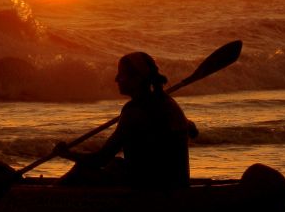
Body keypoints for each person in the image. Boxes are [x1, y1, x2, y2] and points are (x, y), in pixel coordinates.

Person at [57, 52, 195, 191]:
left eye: (122, 74)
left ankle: (51, 195)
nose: (116, 79)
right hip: (177, 185)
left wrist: (66, 153)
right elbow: (193, 130)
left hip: (152, 191)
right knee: (116, 164)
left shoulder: (134, 111)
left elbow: (101, 159)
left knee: (82, 168)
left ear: (137, 79)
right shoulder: (169, 104)